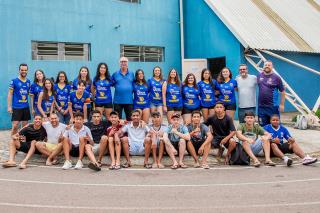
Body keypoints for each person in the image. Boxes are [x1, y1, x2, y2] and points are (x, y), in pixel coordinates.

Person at [257, 60, 285, 126]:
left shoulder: (277, 78)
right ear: (263, 66)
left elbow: (283, 92)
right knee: (262, 126)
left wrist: (282, 104)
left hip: (272, 107)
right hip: (261, 107)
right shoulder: (259, 75)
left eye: (269, 65)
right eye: (265, 65)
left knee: (275, 125)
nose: (267, 66)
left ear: (272, 67)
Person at [7, 63, 31, 135]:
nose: (24, 71)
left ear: (27, 71)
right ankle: (12, 141)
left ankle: (22, 142)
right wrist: (9, 106)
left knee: (25, 127)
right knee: (15, 126)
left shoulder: (28, 81)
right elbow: (10, 94)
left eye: (25, 70)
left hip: (25, 107)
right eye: (22, 70)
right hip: (16, 107)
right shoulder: (14, 81)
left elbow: (29, 93)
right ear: (19, 70)